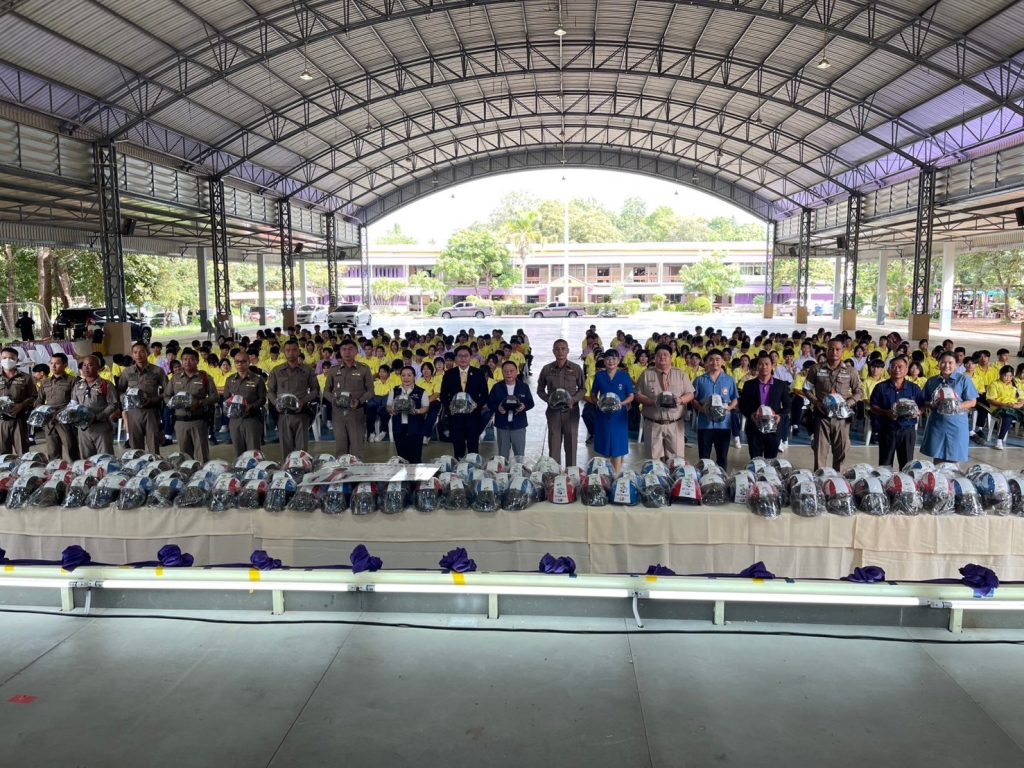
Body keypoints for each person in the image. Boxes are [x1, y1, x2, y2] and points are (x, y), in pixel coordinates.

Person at [804, 338, 863, 471]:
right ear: (827, 350)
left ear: (843, 351)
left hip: (842, 418)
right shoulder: (815, 369)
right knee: (820, 449)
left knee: (841, 449)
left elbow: (859, 391)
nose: (834, 352)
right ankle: (820, 476)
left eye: (837, 349)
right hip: (822, 415)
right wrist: (816, 402)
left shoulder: (851, 371)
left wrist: (848, 404)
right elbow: (806, 389)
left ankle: (838, 478)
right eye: (831, 349)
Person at [634, 344, 695, 462]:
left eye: (665, 354)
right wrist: (652, 401)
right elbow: (637, 395)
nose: (662, 357)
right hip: (653, 424)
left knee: (676, 462)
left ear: (671, 357)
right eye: (659, 355)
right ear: (655, 358)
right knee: (654, 462)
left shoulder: (681, 374)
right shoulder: (646, 374)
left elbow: (690, 394)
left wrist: (680, 400)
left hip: (675, 424)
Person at [920, 352, 978, 465]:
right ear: (938, 363)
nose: (947, 365)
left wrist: (956, 406)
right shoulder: (932, 381)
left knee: (954, 461)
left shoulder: (963, 380)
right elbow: (924, 400)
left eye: (950, 363)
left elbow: (972, 401)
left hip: (956, 425)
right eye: (943, 362)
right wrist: (932, 404)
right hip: (937, 425)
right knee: (938, 459)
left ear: (956, 364)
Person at [536, 339, 586, 467]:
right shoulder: (547, 369)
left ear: (568, 350)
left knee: (571, 444)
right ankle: (554, 473)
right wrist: (549, 399)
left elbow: (583, 389)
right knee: (554, 444)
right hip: (553, 412)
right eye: (557, 349)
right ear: (553, 351)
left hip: (571, 411)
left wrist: (574, 399)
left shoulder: (576, 369)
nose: (560, 351)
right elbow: (540, 390)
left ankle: (571, 473)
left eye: (563, 348)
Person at [868, 355, 925, 468]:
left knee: (907, 464)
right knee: (885, 464)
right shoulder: (880, 387)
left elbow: (922, 406)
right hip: (887, 430)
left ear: (906, 370)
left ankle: (905, 480)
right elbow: (873, 406)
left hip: (907, 430)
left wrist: (918, 412)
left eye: (900, 366)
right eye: (893, 366)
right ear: (889, 370)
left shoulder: (914, 388)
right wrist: (886, 412)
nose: (897, 369)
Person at [267, 339, 320, 457]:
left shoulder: (307, 370)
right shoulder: (276, 371)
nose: (291, 353)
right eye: (288, 350)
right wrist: (276, 403)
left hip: (301, 414)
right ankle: (287, 467)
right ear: (284, 352)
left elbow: (315, 390)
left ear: (299, 351)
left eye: (294, 350)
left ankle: (302, 467)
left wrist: (304, 401)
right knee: (286, 450)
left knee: (302, 451)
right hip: (283, 414)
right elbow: (270, 391)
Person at [163, 348, 218, 462]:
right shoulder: (175, 378)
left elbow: (214, 396)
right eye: (185, 359)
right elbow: (166, 396)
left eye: (191, 359)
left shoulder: (205, 377)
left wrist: (200, 402)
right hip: (180, 421)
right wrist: (173, 403)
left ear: (197, 361)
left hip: (198, 421)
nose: (188, 362)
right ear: (181, 361)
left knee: (202, 455)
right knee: (185, 456)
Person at [117, 341, 168, 454]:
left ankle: (155, 463)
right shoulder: (127, 372)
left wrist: (154, 400)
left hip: (151, 411)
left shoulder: (157, 371)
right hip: (133, 412)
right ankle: (138, 464)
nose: (138, 355)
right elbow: (120, 390)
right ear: (132, 355)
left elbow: (168, 391)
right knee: (136, 447)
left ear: (147, 353)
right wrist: (126, 399)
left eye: (142, 352)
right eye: (135, 352)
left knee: (153, 445)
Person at [325, 338, 374, 455]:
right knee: (341, 448)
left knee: (357, 448)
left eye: (350, 349)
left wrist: (359, 401)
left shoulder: (364, 369)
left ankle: (357, 467)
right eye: (344, 349)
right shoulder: (333, 370)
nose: (347, 352)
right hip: (338, 413)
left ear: (356, 351)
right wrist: (333, 400)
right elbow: (326, 391)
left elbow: (371, 391)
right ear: (340, 352)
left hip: (356, 413)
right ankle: (342, 467)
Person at [690, 350, 738, 469]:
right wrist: (701, 408)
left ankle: (722, 478)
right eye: (711, 359)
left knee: (722, 458)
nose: (714, 362)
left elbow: (735, 398)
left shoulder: (730, 380)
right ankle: (704, 479)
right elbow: (693, 399)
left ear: (722, 362)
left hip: (724, 425)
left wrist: (728, 408)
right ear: (706, 362)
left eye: (717, 359)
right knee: (704, 459)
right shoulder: (699, 380)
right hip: (704, 424)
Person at [589, 349, 635, 472]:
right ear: (604, 361)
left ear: (619, 361)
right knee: (604, 445)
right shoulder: (599, 376)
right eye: (608, 359)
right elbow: (593, 394)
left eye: (614, 359)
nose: (611, 361)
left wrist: (622, 403)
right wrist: (598, 402)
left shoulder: (624, 376)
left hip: (619, 416)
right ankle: (605, 474)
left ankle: (616, 475)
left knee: (617, 446)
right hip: (603, 414)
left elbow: (631, 395)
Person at [440, 344, 489, 459]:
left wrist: (477, 405)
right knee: (458, 448)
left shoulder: (478, 373)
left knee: (473, 448)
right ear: (456, 358)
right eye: (460, 356)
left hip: (473, 416)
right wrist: (449, 407)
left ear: (470, 357)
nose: (463, 358)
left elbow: (485, 395)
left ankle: (474, 468)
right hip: (455, 416)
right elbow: (443, 395)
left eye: (466, 356)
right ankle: (458, 467)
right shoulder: (449, 374)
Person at [739, 355, 792, 459]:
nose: (764, 366)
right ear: (757, 366)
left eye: (767, 364)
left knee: (770, 461)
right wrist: (751, 414)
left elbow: (788, 405)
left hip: (774, 429)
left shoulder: (781, 385)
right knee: (756, 461)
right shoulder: (749, 385)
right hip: (755, 427)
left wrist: (780, 416)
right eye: (760, 364)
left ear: (772, 366)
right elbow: (743, 404)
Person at [487, 361, 535, 460]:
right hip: (502, 425)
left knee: (519, 455)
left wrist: (524, 406)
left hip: (518, 425)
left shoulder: (523, 386)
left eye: (511, 371)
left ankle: (519, 469)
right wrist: (498, 408)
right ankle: (503, 470)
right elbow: (490, 403)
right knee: (502, 455)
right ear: (502, 372)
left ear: (516, 372)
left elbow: (530, 402)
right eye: (506, 371)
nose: (508, 373)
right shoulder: (497, 387)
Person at [35, 353, 79, 462]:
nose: (53, 366)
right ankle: (55, 471)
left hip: (66, 420)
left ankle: (75, 469)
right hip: (49, 421)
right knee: (52, 451)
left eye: (57, 363)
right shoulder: (45, 382)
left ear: (65, 365)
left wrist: (61, 413)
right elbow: (38, 401)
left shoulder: (73, 381)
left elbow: (76, 401)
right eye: (51, 363)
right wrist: (44, 411)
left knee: (71, 449)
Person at [72, 355, 118, 456]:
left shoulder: (106, 384)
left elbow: (113, 404)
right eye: (84, 365)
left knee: (105, 457)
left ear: (98, 367)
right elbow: (73, 403)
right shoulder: (78, 385)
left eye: (90, 365)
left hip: (101, 426)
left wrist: (98, 417)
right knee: (86, 459)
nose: (86, 368)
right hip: (83, 429)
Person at [223, 351, 267, 456]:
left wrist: (251, 406)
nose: (240, 364)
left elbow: (262, 399)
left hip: (251, 419)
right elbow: (226, 397)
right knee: (238, 452)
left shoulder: (257, 379)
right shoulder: (230, 380)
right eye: (237, 362)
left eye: (243, 361)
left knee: (253, 453)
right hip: (235, 420)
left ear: (248, 362)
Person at [387, 365, 431, 463]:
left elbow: (426, 407)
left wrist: (417, 411)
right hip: (399, 427)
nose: (406, 378)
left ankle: (415, 472)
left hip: (416, 427)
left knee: (415, 456)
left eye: (409, 375)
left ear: (414, 376)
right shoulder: (394, 390)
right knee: (402, 456)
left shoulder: (421, 391)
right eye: (403, 375)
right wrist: (391, 410)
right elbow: (388, 405)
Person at [0, 347, 36, 453]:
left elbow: (34, 396)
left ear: (17, 360)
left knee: (22, 452)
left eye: (11, 358)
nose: (7, 360)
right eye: (4, 358)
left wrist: (22, 405)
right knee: (3, 454)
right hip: (1, 422)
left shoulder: (26, 378)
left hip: (19, 420)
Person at [984, 365, 1024, 450]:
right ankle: (999, 440)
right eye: (1005, 375)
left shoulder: (1015, 385)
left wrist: (1019, 405)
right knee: (1007, 418)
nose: (1008, 378)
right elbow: (991, 400)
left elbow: (1021, 398)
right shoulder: (994, 385)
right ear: (1000, 374)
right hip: (999, 408)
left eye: (1010, 376)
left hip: (1014, 408)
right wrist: (1006, 405)